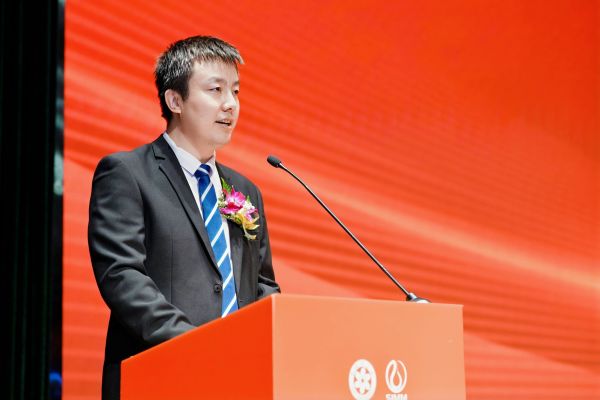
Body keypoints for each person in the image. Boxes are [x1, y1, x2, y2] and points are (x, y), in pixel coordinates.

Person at [88, 35, 280, 400]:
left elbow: (263, 284)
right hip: (160, 376)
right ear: (175, 100)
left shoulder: (245, 190)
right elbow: (122, 276)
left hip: (241, 381)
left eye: (236, 91)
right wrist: (197, 345)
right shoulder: (128, 174)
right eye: (215, 89)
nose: (230, 104)